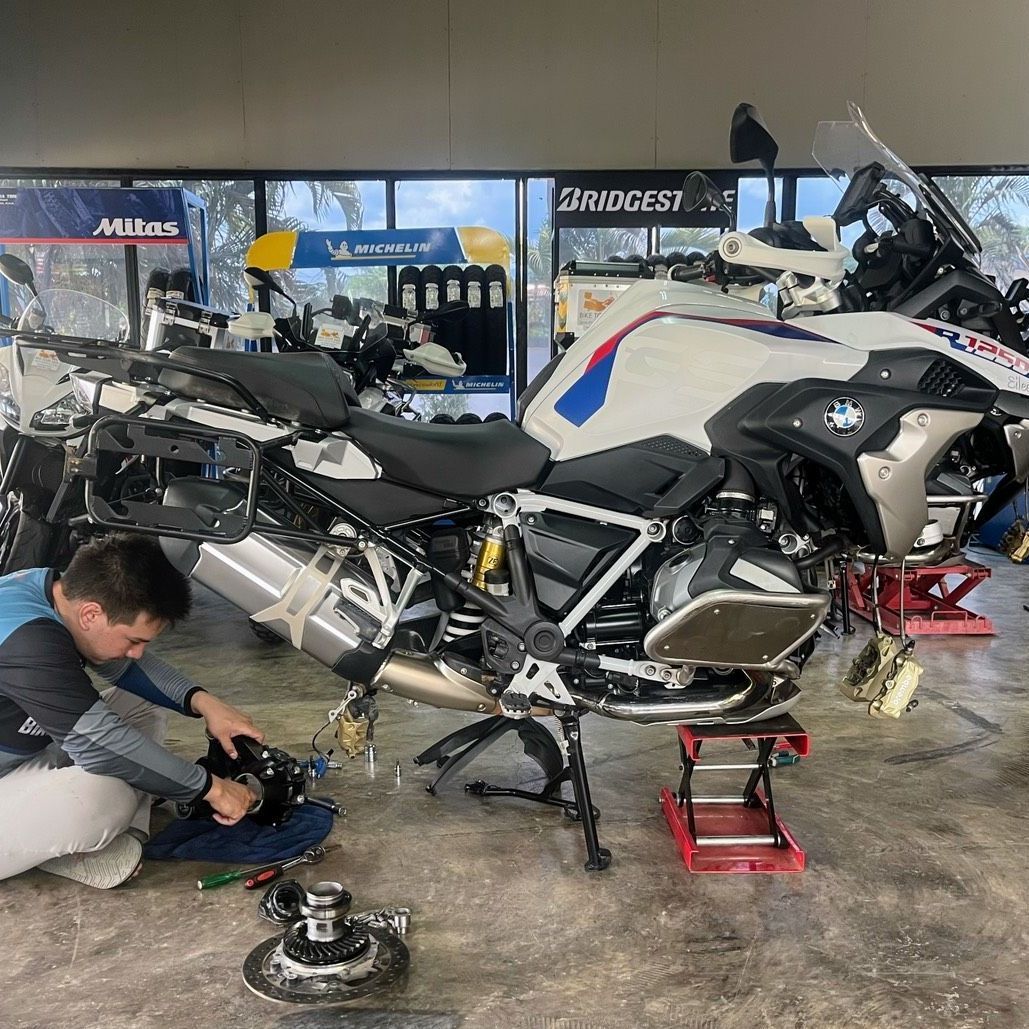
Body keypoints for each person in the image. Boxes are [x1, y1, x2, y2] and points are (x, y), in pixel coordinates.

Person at [0, 533, 265, 888]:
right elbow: (99, 747)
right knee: (103, 795)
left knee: (140, 709)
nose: (138, 652)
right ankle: (70, 844)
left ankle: (107, 839)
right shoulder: (28, 639)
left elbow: (127, 671)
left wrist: (205, 702)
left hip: (18, 758)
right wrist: (211, 790)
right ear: (91, 614)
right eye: (134, 640)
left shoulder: (54, 594)